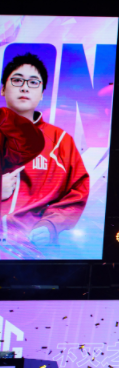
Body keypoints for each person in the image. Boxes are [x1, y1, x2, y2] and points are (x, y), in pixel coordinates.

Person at [0, 53, 88, 251]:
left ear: (41, 94)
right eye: (17, 80)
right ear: (3, 89)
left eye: (33, 82)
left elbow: (76, 193)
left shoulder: (60, 142)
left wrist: (51, 225)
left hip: (31, 253)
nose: (25, 87)